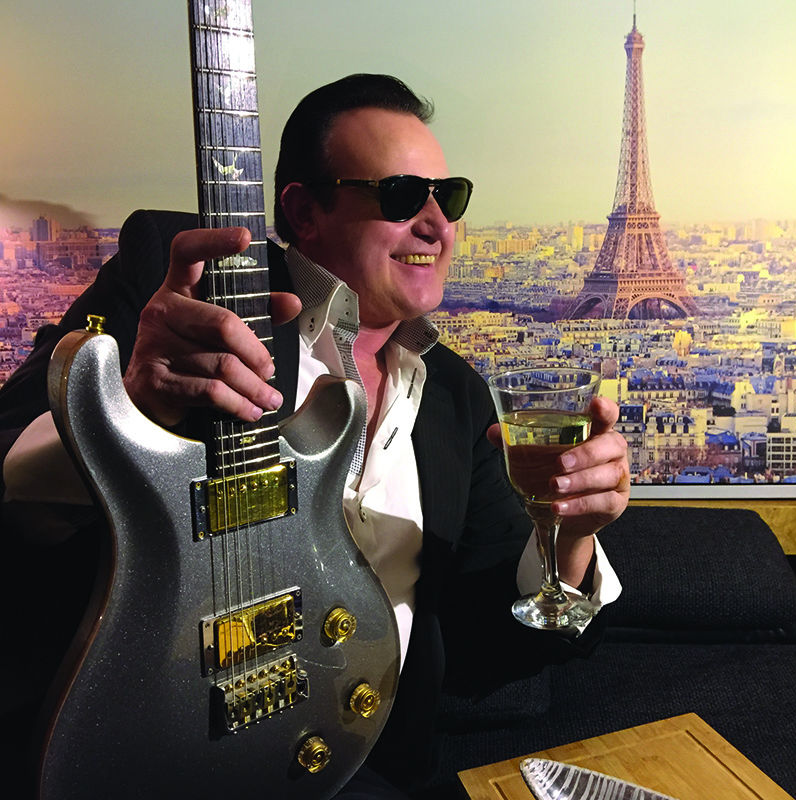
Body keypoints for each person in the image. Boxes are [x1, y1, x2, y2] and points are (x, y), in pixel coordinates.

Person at [0, 74, 629, 798]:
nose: (436, 223)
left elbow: (487, 650)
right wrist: (130, 409)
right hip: (145, 748)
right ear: (304, 210)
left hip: (365, 771)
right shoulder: (188, 293)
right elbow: (9, 459)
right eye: (402, 195)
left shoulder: (456, 396)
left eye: (449, 196)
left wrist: (569, 540)